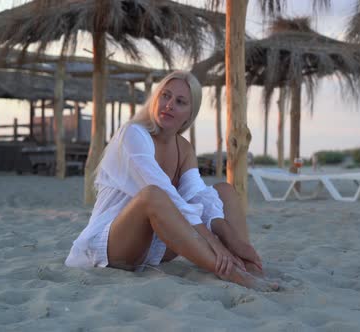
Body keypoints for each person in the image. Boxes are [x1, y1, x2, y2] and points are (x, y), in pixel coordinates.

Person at [65, 71, 277, 291]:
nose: (169, 104)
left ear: (189, 114)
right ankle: (230, 272)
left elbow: (197, 195)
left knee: (224, 191)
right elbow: (166, 194)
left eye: (180, 101)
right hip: (114, 245)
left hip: (157, 247)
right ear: (155, 98)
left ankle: (248, 264)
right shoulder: (133, 134)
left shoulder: (183, 148)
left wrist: (228, 236)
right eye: (165, 96)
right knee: (154, 195)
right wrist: (213, 242)